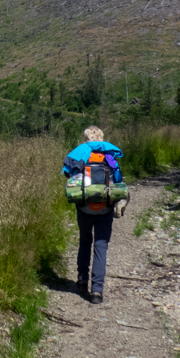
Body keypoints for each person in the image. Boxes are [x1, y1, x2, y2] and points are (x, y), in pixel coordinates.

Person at [61, 126, 125, 304]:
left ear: (86, 139)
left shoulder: (81, 155)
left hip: (84, 207)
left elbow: (68, 175)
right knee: (101, 246)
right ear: (101, 139)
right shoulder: (109, 156)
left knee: (84, 242)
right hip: (105, 207)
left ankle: (82, 280)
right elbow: (118, 181)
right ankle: (97, 291)